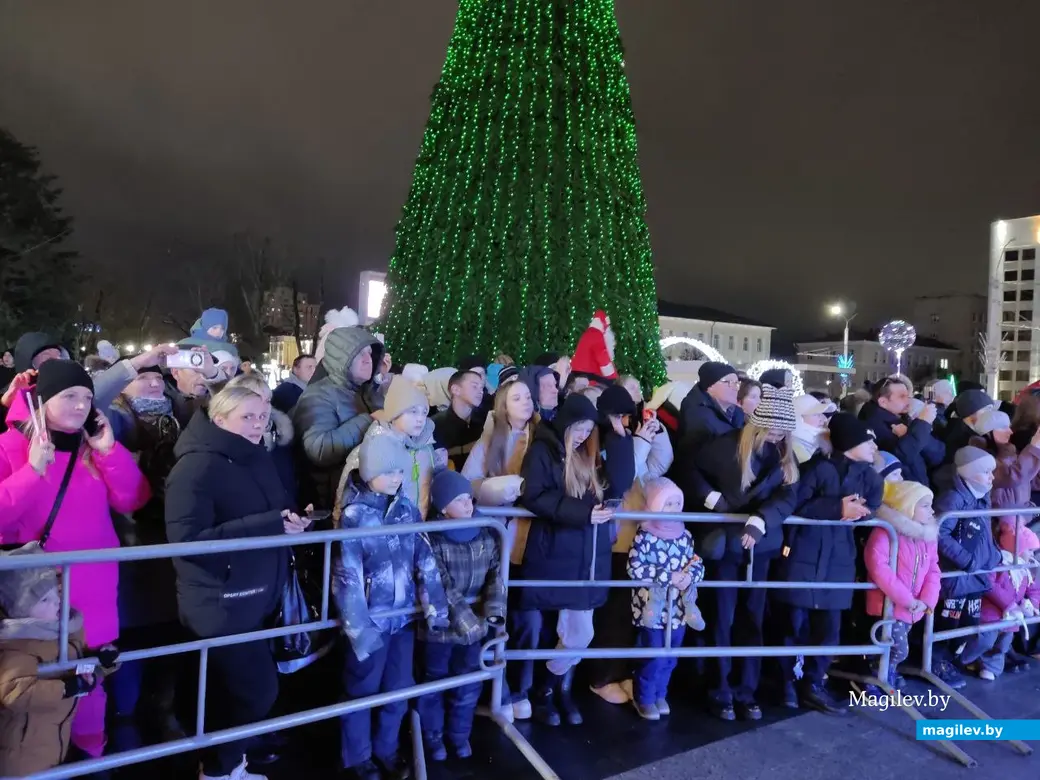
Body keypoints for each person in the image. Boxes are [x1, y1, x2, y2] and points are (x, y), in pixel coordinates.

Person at [0, 359, 150, 760]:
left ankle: (91, 760)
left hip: (96, 593)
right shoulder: (8, 446)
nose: (81, 405)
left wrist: (110, 452)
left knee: (90, 686)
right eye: (69, 396)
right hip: (38, 602)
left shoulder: (92, 447)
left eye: (87, 397)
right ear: (41, 402)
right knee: (40, 695)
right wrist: (32, 470)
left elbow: (134, 498)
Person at [165, 381, 303, 780]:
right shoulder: (195, 467)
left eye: (262, 416)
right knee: (258, 691)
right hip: (220, 601)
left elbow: (269, 511)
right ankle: (220, 768)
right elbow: (187, 542)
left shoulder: (254, 456)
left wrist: (291, 518)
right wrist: (269, 525)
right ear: (220, 417)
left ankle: (226, 766)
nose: (257, 424)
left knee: (233, 693)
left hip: (252, 596)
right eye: (247, 417)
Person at [332, 431, 448, 780]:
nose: (398, 478)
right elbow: (346, 579)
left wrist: (435, 608)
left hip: (401, 622)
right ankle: (357, 757)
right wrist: (360, 631)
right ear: (368, 472)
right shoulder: (354, 516)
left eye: (400, 472)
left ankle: (386, 748)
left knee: (398, 688)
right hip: (370, 623)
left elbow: (425, 559)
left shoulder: (406, 509)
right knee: (361, 691)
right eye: (390, 471)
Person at [693, 385, 800, 721]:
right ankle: (720, 688)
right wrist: (712, 499)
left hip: (761, 549)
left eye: (783, 430)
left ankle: (746, 690)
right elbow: (691, 470)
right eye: (772, 428)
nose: (777, 435)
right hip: (727, 547)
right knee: (722, 619)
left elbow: (788, 497)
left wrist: (761, 520)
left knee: (752, 621)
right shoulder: (724, 447)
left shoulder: (785, 456)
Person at [512, 394, 615, 727]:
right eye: (581, 427)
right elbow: (534, 495)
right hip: (554, 550)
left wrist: (625, 437)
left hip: (583, 554)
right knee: (548, 632)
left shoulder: (587, 453)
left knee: (579, 634)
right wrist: (584, 513)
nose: (585, 434)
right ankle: (540, 692)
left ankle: (547, 687)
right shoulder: (544, 450)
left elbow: (618, 479)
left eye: (589, 428)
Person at [775, 413, 883, 714]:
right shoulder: (816, 469)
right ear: (851, 442)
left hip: (839, 560)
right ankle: (786, 683)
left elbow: (872, 507)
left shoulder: (870, 477)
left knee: (828, 629)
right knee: (793, 624)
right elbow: (794, 504)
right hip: (803, 554)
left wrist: (860, 512)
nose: (874, 445)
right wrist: (837, 508)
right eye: (867, 439)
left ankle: (813, 684)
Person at [107, 364, 192, 743]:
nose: (154, 382)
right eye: (143, 376)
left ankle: (163, 708)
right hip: (131, 537)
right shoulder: (116, 420)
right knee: (132, 633)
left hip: (169, 537)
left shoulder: (181, 416)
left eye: (158, 376)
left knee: (169, 629)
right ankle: (125, 719)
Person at [0, 543, 120, 777]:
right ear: (19, 610)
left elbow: (81, 668)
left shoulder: (66, 629)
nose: (56, 602)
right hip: (19, 756)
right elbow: (14, 692)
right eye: (44, 600)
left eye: (56, 594)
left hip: (53, 743)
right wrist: (67, 687)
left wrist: (102, 661)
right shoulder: (16, 643)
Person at [417, 471, 506, 762]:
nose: (468, 505)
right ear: (443, 508)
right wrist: (466, 620)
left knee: (468, 683)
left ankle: (459, 736)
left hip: (476, 627)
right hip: (440, 630)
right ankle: (432, 738)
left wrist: (494, 612)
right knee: (434, 683)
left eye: (469, 497)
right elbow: (439, 583)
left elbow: (496, 574)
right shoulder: (430, 537)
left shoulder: (486, 531)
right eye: (459, 500)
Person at [626, 478, 704, 721]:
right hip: (652, 608)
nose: (673, 508)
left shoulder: (685, 535)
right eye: (667, 503)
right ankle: (644, 697)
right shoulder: (645, 535)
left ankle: (661, 693)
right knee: (654, 654)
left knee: (671, 655)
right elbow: (634, 568)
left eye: (677, 502)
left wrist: (688, 577)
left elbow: (697, 562)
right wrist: (667, 576)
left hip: (678, 609)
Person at [294, 326, 387, 510]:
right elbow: (319, 450)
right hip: (332, 502)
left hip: (365, 499)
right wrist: (369, 421)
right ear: (342, 359)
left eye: (370, 354)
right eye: (360, 355)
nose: (368, 360)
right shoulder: (318, 395)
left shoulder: (369, 392)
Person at [932, 446, 1002, 689]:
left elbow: (984, 534)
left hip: (975, 576)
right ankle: (936, 662)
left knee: (967, 624)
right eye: (986, 472)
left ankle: (948, 661)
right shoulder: (954, 498)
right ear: (970, 473)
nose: (992, 477)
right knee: (947, 623)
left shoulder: (981, 497)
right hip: (957, 577)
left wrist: (994, 555)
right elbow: (939, 532)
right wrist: (966, 560)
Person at [865, 481, 941, 689]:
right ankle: (875, 676)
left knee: (894, 647)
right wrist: (906, 599)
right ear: (907, 506)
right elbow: (878, 568)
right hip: (890, 606)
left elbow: (934, 570)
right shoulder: (886, 532)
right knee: (898, 648)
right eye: (925, 505)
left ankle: (886, 673)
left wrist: (926, 601)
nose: (932, 510)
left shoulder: (928, 536)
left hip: (913, 607)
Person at [338, 375, 442, 520]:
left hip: (417, 531)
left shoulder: (426, 448)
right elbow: (347, 499)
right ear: (396, 412)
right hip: (381, 535)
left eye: (424, 412)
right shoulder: (373, 450)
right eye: (413, 411)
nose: (420, 419)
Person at [461, 377, 537, 570]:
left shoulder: (543, 435)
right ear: (504, 406)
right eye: (517, 398)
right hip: (496, 526)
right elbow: (469, 482)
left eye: (528, 397)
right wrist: (509, 486)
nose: (526, 402)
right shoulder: (490, 438)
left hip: (532, 528)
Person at [858, 376, 939, 486]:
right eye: (902, 396)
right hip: (900, 491)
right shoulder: (874, 424)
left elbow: (938, 453)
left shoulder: (900, 418)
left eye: (908, 396)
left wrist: (913, 429)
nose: (908, 400)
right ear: (883, 402)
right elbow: (902, 457)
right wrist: (923, 422)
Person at [432, 370, 487, 470]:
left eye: (482, 388)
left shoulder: (485, 421)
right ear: (456, 389)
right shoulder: (435, 425)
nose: (480, 391)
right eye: (474, 386)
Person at [678, 361, 743, 446]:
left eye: (737, 383)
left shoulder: (735, 411)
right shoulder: (697, 414)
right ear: (710, 386)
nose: (736, 388)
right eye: (729, 382)